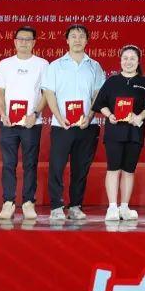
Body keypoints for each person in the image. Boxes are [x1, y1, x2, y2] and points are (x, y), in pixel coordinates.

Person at [41, 24, 106, 221]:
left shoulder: (95, 66)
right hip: (62, 125)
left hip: (87, 125)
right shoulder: (55, 66)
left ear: (87, 40)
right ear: (67, 40)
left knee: (81, 167)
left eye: (81, 36)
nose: (77, 39)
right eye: (73, 36)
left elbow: (98, 94)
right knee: (57, 166)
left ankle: (75, 206)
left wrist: (90, 116)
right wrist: (59, 116)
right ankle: (56, 206)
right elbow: (49, 93)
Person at [0, 25, 48, 221]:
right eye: (20, 39)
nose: (24, 42)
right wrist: (3, 113)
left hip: (32, 122)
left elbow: (46, 93)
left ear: (34, 42)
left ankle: (28, 202)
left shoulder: (42, 64)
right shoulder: (5, 64)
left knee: (30, 164)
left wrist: (35, 113)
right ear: (15, 42)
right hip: (8, 122)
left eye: (28, 39)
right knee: (8, 163)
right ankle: (8, 202)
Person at [92, 45, 145, 221]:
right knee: (113, 168)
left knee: (128, 170)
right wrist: (110, 115)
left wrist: (139, 116)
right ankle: (112, 207)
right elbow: (100, 103)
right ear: (120, 60)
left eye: (132, 58)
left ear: (138, 61)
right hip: (115, 132)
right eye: (125, 58)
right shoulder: (112, 81)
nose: (128, 61)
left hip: (135, 132)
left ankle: (124, 207)